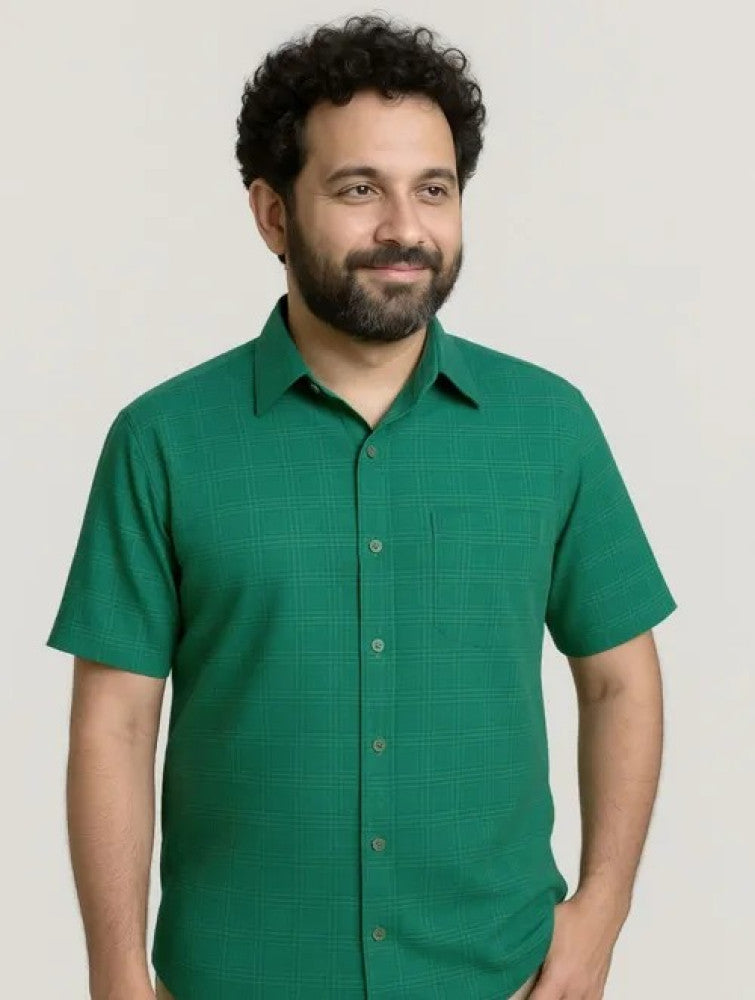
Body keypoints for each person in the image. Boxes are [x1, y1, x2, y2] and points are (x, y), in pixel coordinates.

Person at [47, 13, 678, 1000]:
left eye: (433, 189)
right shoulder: (162, 439)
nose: (403, 228)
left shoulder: (548, 427)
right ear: (272, 214)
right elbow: (114, 725)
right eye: (357, 189)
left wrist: (599, 915)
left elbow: (617, 683)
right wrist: (117, 979)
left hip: (496, 978)